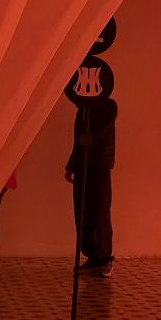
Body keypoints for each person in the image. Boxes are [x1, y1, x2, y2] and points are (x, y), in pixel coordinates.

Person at [65, 94, 116, 277]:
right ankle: (93, 255)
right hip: (83, 167)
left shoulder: (108, 108)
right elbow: (79, 142)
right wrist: (72, 165)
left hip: (99, 168)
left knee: (99, 212)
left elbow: (96, 135)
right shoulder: (83, 111)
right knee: (83, 213)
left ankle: (104, 258)